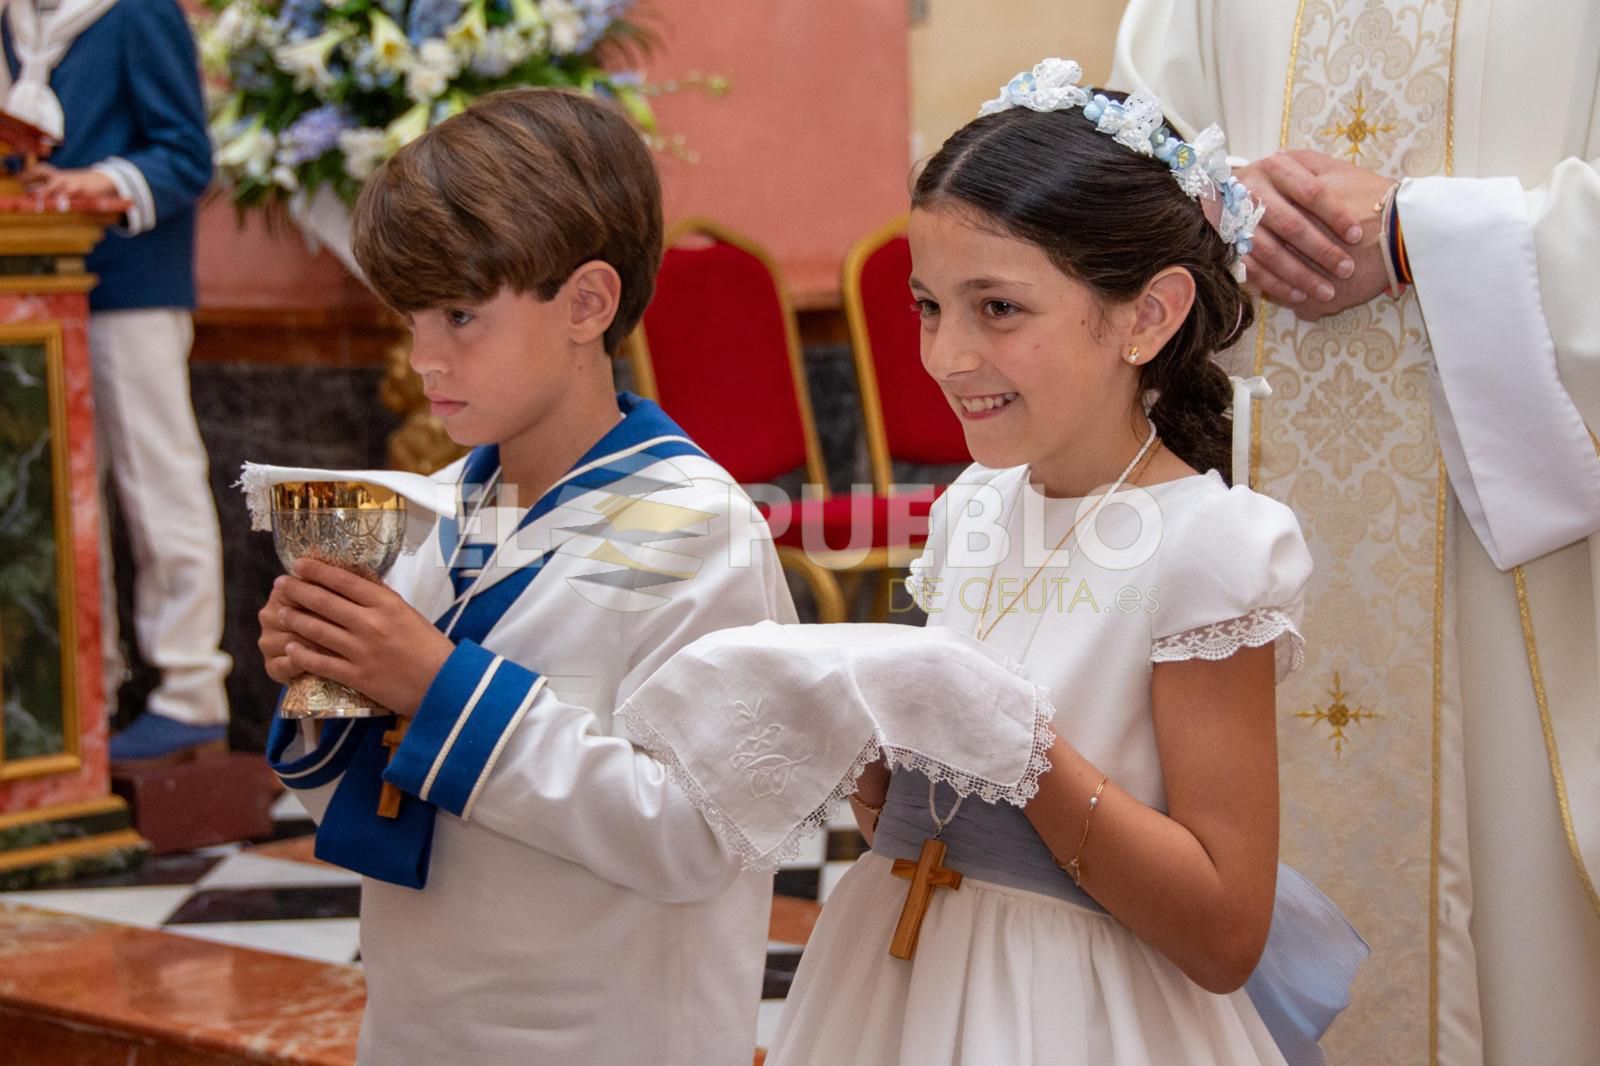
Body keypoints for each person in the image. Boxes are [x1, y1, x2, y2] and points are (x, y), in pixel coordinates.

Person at [746, 58, 1345, 1065]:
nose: (943, 356)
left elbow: (1223, 930)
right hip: (897, 981)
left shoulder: (1208, 549)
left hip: (1077, 1007)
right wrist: (868, 751)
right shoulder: (974, 510)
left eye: (998, 309)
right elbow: (921, 809)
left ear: (1146, 316)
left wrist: (1024, 754)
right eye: (928, 306)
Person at [256, 88, 795, 1065]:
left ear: (587, 302)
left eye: (461, 314)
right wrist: (323, 686)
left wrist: (435, 686)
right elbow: (374, 804)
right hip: (422, 1025)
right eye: (413, 314)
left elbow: (701, 835)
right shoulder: (426, 512)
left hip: (605, 1032)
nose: (424, 356)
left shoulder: (697, 531)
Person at [1113, 3, 1600, 1061]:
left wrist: (1424, 234)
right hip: (1243, 520)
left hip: (1521, 581)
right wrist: (1214, 210)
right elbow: (1135, 155)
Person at [1, 0, 231, 760]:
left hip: (131, 288)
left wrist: (88, 183)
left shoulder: (137, 12)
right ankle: (78, 694)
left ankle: (191, 692)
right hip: (30, 296)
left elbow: (185, 155)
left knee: (157, 484)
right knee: (59, 503)